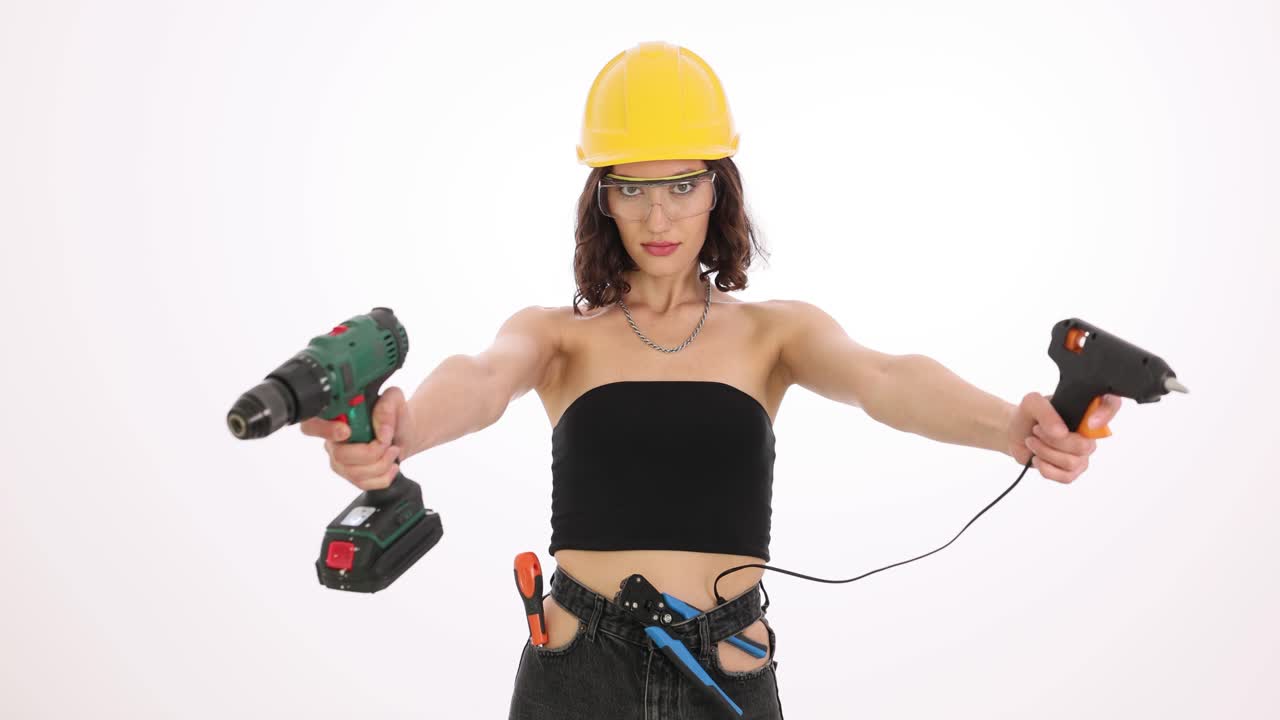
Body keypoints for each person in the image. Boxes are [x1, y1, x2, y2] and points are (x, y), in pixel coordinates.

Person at [301, 41, 1121, 720]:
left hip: (727, 659)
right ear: (603, 199)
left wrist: (1011, 425)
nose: (660, 219)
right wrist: (403, 430)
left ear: (718, 188)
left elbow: (883, 378)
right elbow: (480, 378)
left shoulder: (775, 334)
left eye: (682, 186)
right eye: (634, 189)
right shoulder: (556, 335)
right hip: (578, 660)